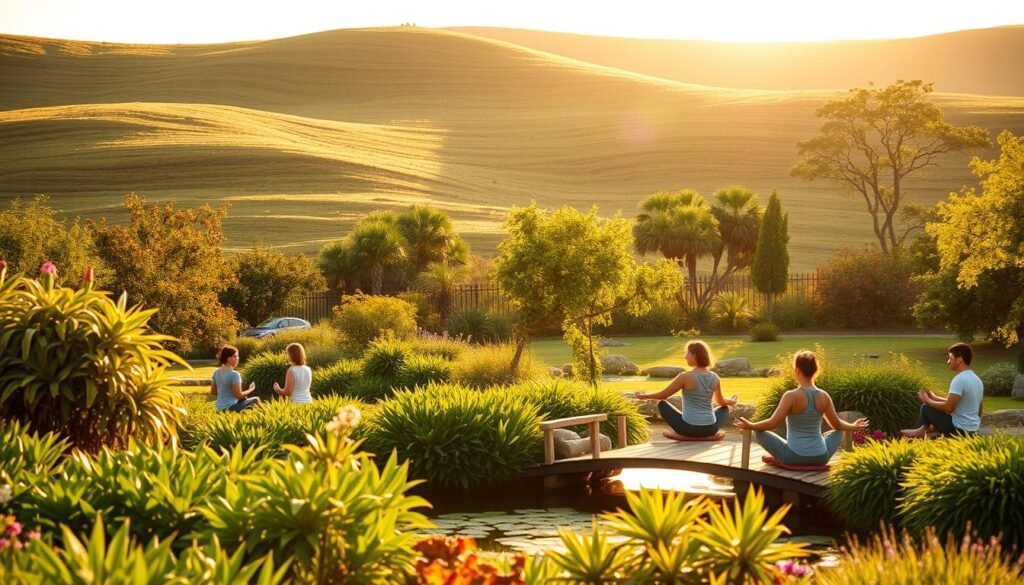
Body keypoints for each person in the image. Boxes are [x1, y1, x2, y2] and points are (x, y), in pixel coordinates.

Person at [734, 350, 868, 466]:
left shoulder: (791, 396)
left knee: (758, 432)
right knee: (840, 431)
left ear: (797, 370)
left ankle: (779, 458)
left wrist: (751, 425)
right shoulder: (824, 396)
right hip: (820, 457)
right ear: (816, 371)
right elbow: (837, 425)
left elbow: (771, 424)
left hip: (793, 457)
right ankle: (788, 456)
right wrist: (853, 426)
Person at [634, 340, 738, 439]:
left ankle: (685, 437)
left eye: (687, 353)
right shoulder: (715, 377)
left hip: (688, 428)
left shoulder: (685, 376)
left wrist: (645, 396)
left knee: (662, 404)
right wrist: (731, 401)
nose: (685, 356)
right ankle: (708, 437)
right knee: (724, 408)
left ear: (695, 355)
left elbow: (663, 395)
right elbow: (720, 402)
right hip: (710, 429)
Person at [900, 342, 983, 438]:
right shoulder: (977, 379)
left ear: (960, 360)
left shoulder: (959, 380)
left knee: (926, 408)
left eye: (950, 358)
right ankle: (927, 429)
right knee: (931, 406)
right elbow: (976, 408)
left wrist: (928, 401)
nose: (948, 362)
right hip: (973, 429)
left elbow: (949, 408)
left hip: (959, 430)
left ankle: (924, 430)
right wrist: (935, 397)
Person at [210, 345, 260, 413]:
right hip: (230, 408)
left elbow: (213, 392)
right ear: (228, 359)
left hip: (218, 408)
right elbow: (239, 396)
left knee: (244, 400)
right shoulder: (234, 374)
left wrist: (227, 392)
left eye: (237, 356)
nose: (238, 358)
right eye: (235, 356)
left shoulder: (216, 372)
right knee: (256, 399)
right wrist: (250, 389)